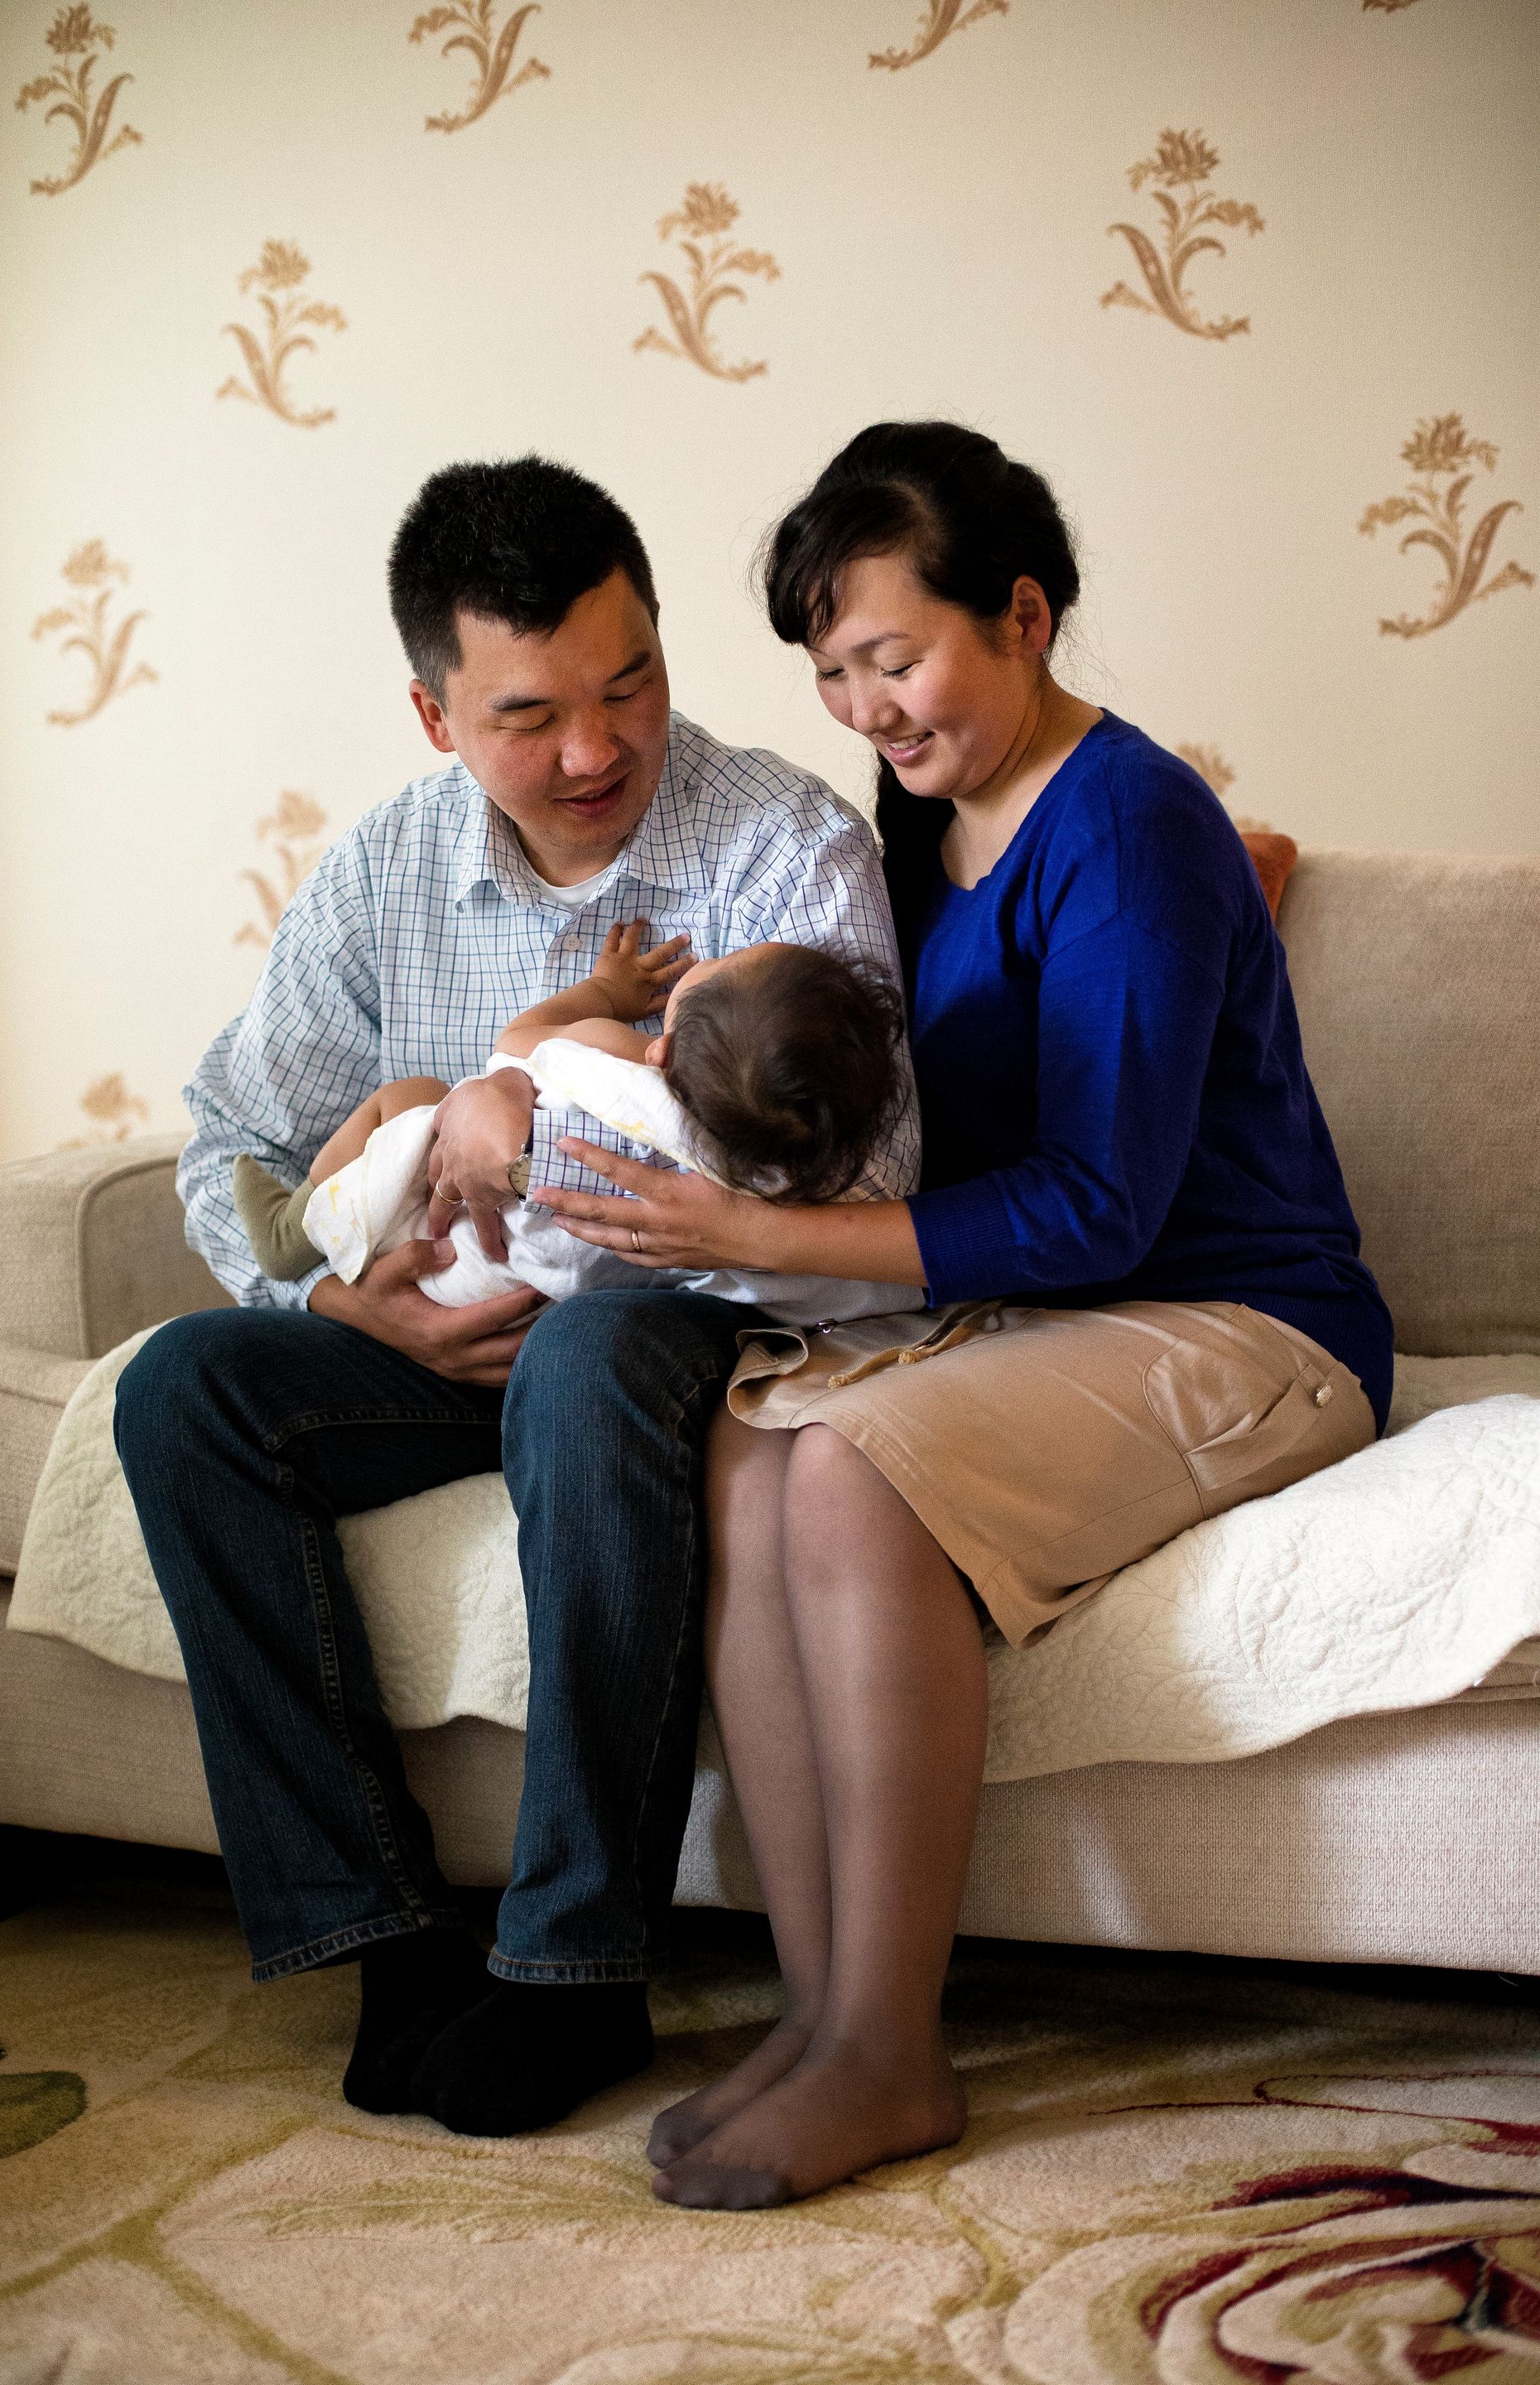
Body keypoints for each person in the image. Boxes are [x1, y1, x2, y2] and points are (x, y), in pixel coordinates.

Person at [535, 421, 1395, 2209]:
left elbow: (1104, 1202)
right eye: (834, 671)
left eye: (898, 658)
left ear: (1024, 613)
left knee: (844, 1464)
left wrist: (754, 1225)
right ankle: (822, 2004)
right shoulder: (927, 826)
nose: (869, 708)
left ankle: (889, 2050)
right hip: (1064, 1316)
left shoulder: (1132, 818)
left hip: (1253, 1322)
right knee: (754, 1443)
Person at [112, 452, 917, 2137]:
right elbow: (230, 1147)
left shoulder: (787, 849)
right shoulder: (383, 877)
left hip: (671, 1336)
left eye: (631, 685)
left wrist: (610, 1187)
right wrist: (345, 1316)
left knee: (597, 1358)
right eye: (531, 715)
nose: (594, 750)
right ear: (434, 718)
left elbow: (877, 1179)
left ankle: (572, 1968)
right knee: (184, 1391)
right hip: (432, 1335)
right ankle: (390, 1940)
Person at [230, 919, 917, 1327]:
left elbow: (521, 1038)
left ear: (663, 1051)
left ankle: (295, 1229)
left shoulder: (622, 1069)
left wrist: (606, 994)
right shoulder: (777, 1173)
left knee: (410, 1096)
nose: (705, 959)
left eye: (714, 970)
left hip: (448, 1243)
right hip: (531, 1298)